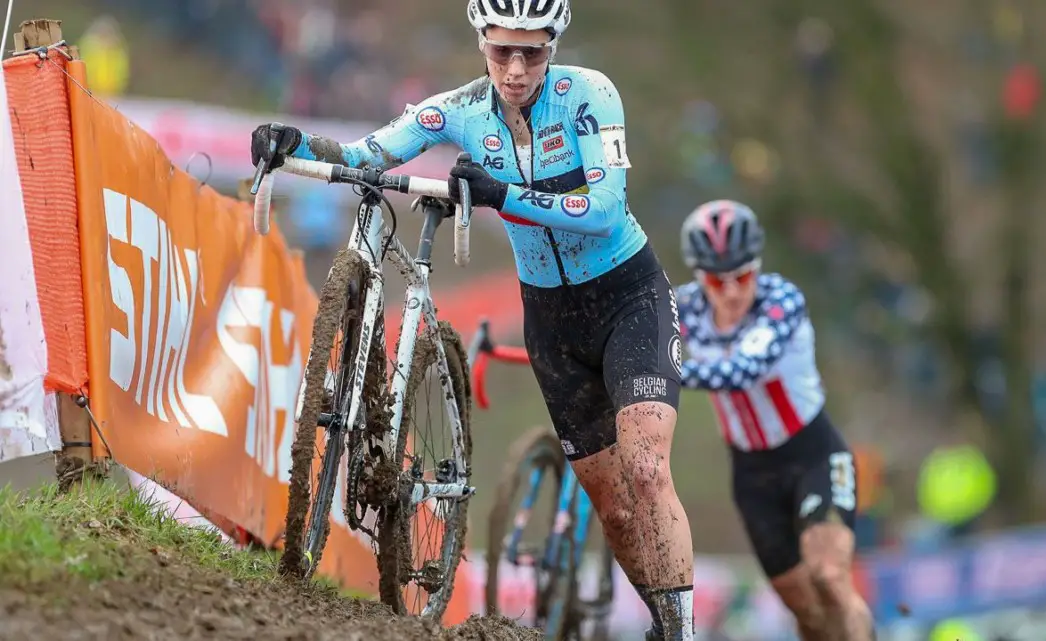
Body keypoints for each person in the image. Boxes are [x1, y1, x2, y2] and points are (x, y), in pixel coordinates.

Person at [249, 1, 695, 639]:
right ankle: (661, 618)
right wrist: (292, 141)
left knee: (646, 469)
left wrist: (501, 194)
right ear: (482, 41)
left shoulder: (589, 96)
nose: (515, 69)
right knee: (617, 511)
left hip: (629, 297)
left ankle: (683, 632)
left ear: (554, 47)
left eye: (532, 53)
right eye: (501, 51)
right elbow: (365, 152)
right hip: (551, 317)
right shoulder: (457, 109)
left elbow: (604, 206)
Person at [674, 200, 875, 641]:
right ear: (698, 276)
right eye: (715, 280)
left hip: (813, 456)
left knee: (829, 577)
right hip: (752, 475)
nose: (730, 292)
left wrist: (662, 372)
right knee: (806, 611)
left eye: (742, 277)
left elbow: (742, 369)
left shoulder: (781, 300)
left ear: (757, 268)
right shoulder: (683, 310)